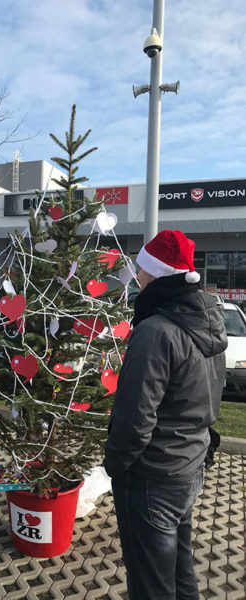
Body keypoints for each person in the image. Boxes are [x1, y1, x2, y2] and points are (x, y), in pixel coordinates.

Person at [104, 230, 227, 600]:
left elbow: (135, 416)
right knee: (179, 568)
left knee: (150, 583)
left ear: (155, 275)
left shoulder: (156, 331)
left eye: (141, 269)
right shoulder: (208, 322)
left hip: (153, 475)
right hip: (189, 465)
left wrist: (116, 464)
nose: (137, 277)